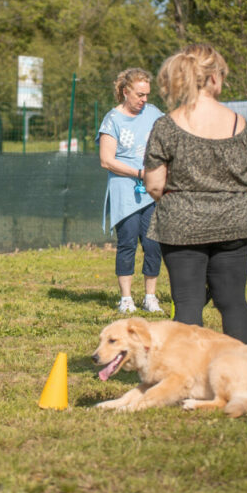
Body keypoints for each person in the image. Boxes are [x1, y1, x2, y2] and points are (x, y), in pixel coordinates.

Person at [142, 43, 247, 344]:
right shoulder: (240, 124)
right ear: (213, 78)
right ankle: (242, 375)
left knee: (188, 305)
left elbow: (154, 185)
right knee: (233, 302)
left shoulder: (166, 126)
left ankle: (186, 378)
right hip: (234, 224)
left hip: (181, 226)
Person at [97, 68, 165, 314]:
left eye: (147, 94)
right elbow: (107, 160)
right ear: (125, 92)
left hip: (151, 191)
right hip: (124, 191)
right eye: (139, 94)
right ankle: (126, 299)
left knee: (153, 243)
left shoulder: (155, 113)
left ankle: (150, 297)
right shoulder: (112, 120)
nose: (143, 100)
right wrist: (138, 173)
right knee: (127, 243)